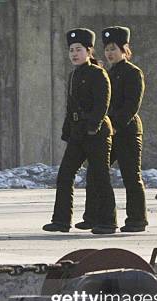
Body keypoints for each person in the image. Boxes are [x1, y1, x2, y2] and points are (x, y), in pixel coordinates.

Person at [43, 28, 117, 234]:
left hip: (97, 133)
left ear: (89, 51)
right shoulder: (74, 75)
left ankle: (108, 221)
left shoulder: (98, 73)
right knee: (65, 175)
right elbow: (70, 107)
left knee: (100, 176)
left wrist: (93, 126)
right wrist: (67, 131)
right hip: (78, 133)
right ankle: (61, 220)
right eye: (71, 50)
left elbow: (103, 104)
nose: (74, 54)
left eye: (78, 49)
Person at [81, 26, 147, 232]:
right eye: (107, 49)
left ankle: (137, 219)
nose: (109, 53)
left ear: (124, 49)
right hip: (107, 132)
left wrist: (114, 126)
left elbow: (131, 106)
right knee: (96, 172)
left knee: (130, 175)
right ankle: (94, 217)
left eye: (113, 49)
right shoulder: (106, 73)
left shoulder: (133, 72)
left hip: (127, 131)